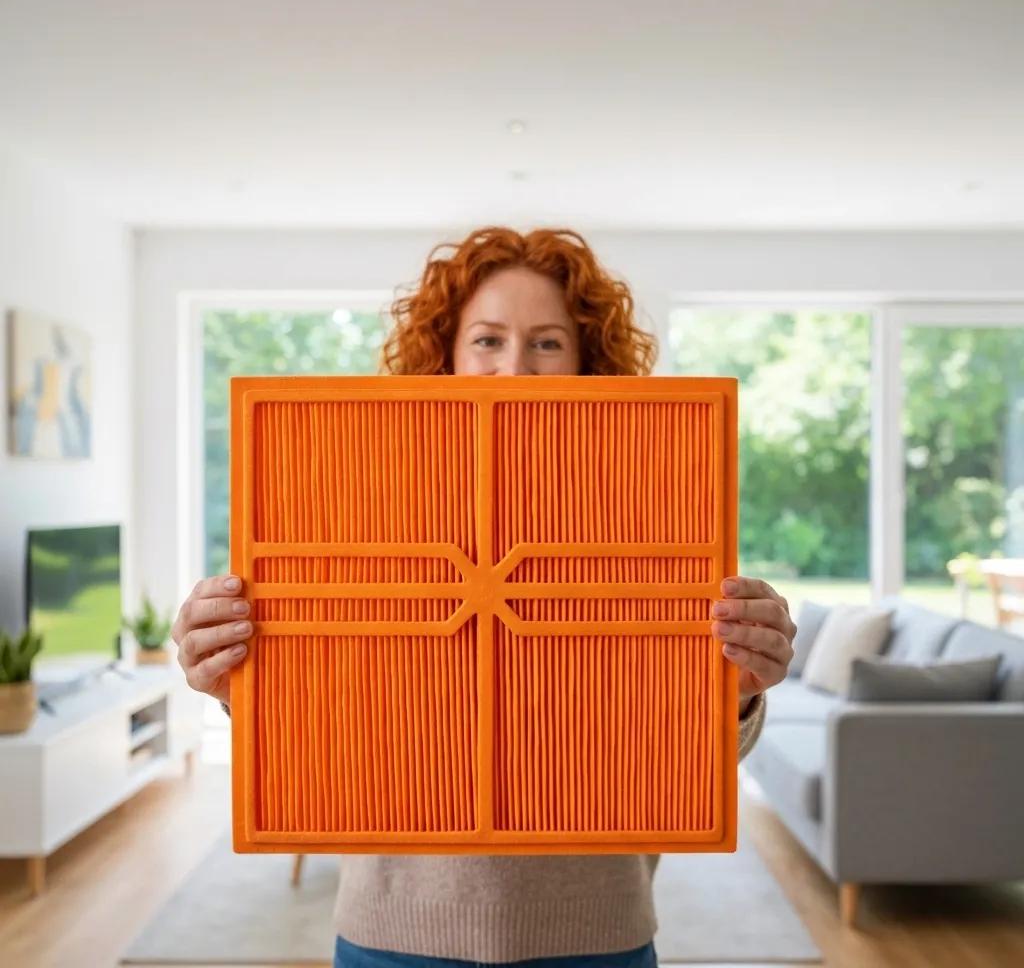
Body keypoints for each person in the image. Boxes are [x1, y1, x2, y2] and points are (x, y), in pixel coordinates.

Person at [173, 226, 796, 968]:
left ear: (588, 360)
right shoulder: (370, 500)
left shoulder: (646, 507)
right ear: (444, 354)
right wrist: (232, 674)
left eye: (546, 344)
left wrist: (738, 692)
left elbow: (674, 732)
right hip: (394, 928)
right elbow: (337, 692)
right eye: (489, 340)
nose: (515, 370)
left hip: (593, 928)